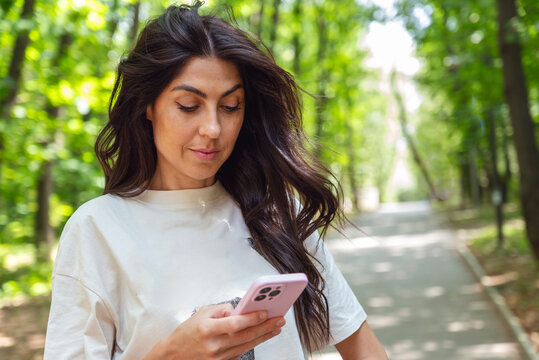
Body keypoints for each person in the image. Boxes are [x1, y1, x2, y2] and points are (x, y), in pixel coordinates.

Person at [44, 2, 388, 359]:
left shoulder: (277, 214)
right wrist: (171, 355)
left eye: (230, 106)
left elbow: (364, 349)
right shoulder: (98, 229)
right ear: (148, 105)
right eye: (189, 106)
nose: (212, 129)